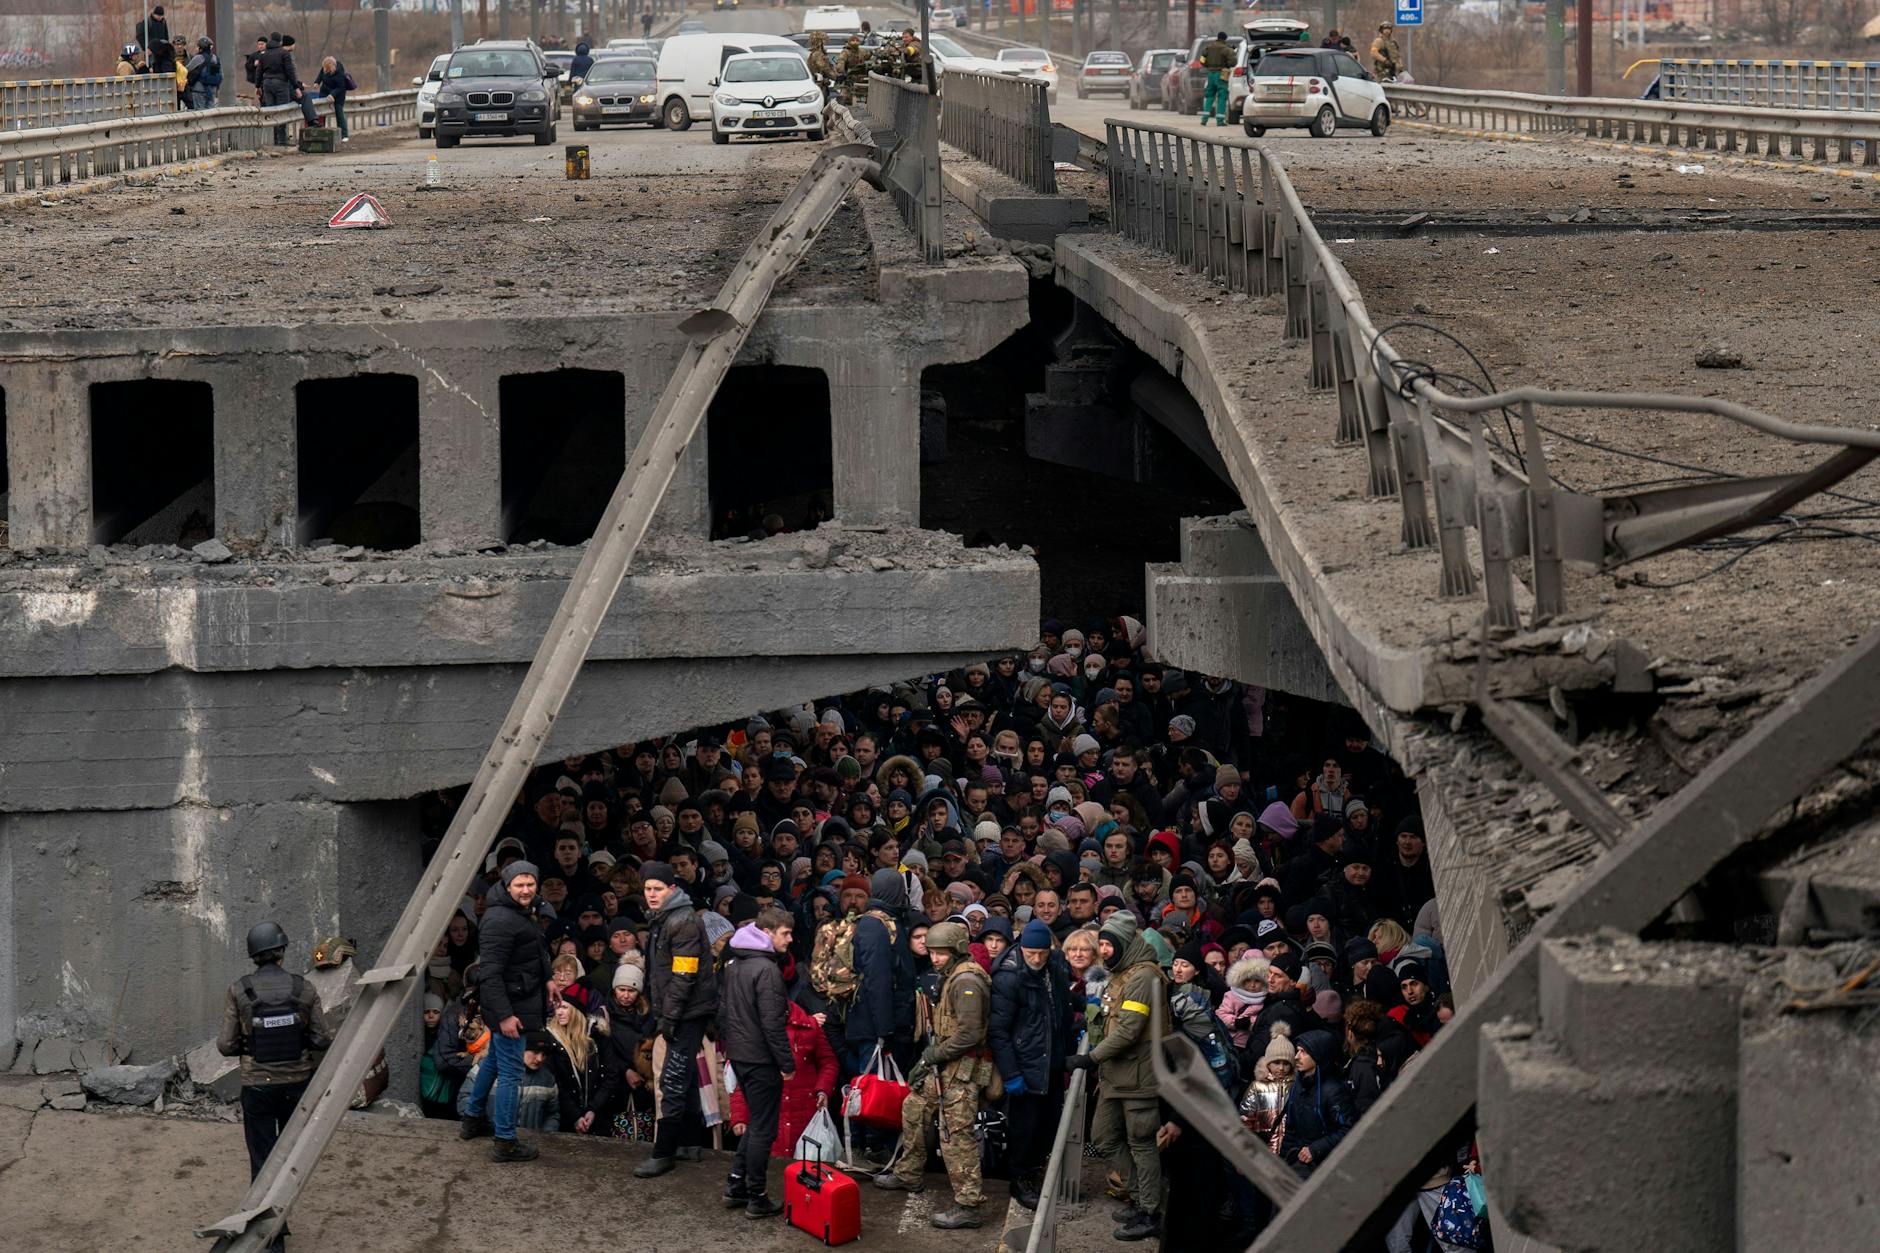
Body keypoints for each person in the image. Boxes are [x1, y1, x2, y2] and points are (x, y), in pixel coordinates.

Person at [875, 920, 991, 1229]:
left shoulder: (968, 982)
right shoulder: (952, 975)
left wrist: (931, 1056)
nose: (934, 958)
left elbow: (968, 1034)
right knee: (914, 1107)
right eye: (933, 953)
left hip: (961, 1069)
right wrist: (930, 1062)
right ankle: (909, 1172)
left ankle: (969, 1204)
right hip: (944, 1065)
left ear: (956, 951)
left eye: (940, 953)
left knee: (955, 1134)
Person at [217, 919, 334, 1214]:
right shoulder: (304, 988)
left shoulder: (239, 990)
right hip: (297, 1085)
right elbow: (322, 1039)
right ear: (281, 950)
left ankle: (267, 1230)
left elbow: (225, 1045)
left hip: (257, 1086)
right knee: (290, 1159)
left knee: (262, 1160)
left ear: (254, 955)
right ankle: (281, 1216)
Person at [1069, 913, 1163, 1242]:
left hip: (1138, 1078)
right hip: (1115, 1077)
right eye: (1103, 944)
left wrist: (1089, 1058)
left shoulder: (1144, 977)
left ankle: (1151, 1211)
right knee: (1104, 1136)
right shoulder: (1122, 973)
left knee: (1142, 1142)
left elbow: (1128, 1031)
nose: (1104, 950)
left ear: (1125, 943)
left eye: (1109, 944)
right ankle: (1139, 1197)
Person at [460, 860, 552, 1163]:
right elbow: (490, 974)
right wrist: (504, 1016)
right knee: (512, 1073)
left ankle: (473, 1118)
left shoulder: (522, 911)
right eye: (520, 885)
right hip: (511, 1008)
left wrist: (549, 980)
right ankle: (506, 1140)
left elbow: (535, 952)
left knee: (495, 1062)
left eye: (530, 884)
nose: (526, 890)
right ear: (507, 886)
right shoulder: (500, 919)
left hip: (518, 1000)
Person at [637, 860, 717, 1176]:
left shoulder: (681, 921)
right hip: (682, 1010)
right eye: (648, 889)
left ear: (672, 889)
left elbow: (684, 976)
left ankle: (664, 1153)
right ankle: (689, 1143)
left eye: (658, 889)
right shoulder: (666, 917)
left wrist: (668, 1018)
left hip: (686, 1011)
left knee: (672, 1076)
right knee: (683, 1074)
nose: (652, 894)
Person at [989, 919, 1075, 1210]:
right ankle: (1020, 1179)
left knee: (1047, 1125)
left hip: (1050, 1059)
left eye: (1042, 953)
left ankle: (1036, 1172)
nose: (1037, 958)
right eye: (1031, 953)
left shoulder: (1055, 966)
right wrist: (1012, 1073)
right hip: (1025, 1062)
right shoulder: (1009, 976)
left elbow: (1061, 1007)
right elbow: (998, 1031)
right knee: (1024, 1129)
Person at [718, 906, 797, 1217]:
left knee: (756, 1125)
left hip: (739, 1055)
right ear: (767, 933)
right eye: (785, 933)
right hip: (761, 1059)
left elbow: (723, 1012)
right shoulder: (766, 970)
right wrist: (787, 1063)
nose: (790, 939)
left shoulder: (735, 963)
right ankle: (757, 1197)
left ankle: (736, 1186)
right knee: (764, 1129)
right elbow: (772, 1024)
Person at [254, 33, 299, 145]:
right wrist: (296, 87)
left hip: (267, 85)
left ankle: (273, 139)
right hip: (281, 84)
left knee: (271, 110)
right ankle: (282, 140)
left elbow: (259, 72)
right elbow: (290, 72)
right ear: (280, 42)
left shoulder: (264, 55)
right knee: (282, 111)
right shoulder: (284, 53)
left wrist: (257, 86)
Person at [1197, 31, 1234, 127]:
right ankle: (1220, 120)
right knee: (1222, 96)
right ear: (1225, 39)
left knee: (1209, 96)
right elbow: (1233, 62)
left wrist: (1206, 65)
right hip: (1221, 74)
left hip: (1210, 74)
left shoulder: (1208, 48)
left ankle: (1204, 119)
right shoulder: (1226, 49)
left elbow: (1201, 60)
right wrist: (1227, 64)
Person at [312, 56, 350, 140]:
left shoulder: (340, 72)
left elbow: (340, 87)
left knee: (339, 112)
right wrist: (317, 82)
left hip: (338, 94)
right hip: (325, 91)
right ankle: (320, 131)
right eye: (324, 69)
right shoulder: (325, 67)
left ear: (332, 67)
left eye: (327, 70)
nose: (325, 71)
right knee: (321, 111)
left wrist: (332, 95)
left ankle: (344, 135)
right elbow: (320, 74)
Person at [184, 36, 220, 110]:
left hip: (199, 90)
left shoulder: (198, 58)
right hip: (212, 91)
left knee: (200, 114)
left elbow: (186, 69)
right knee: (210, 113)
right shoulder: (215, 58)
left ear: (201, 47)